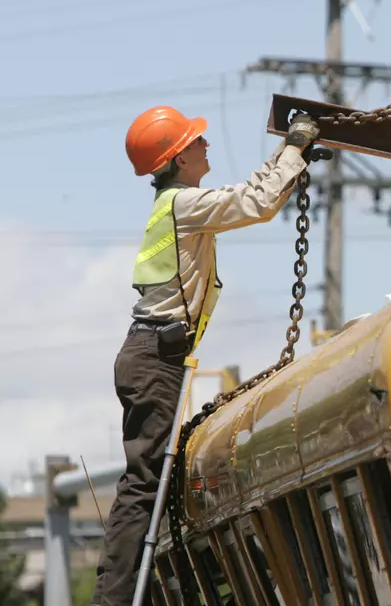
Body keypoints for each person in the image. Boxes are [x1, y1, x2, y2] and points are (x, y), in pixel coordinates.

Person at [90, 105, 321, 606]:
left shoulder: (180, 203)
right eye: (196, 142)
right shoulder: (183, 205)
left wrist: (290, 153)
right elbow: (255, 203)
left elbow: (249, 193)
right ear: (177, 159)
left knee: (153, 481)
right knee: (145, 484)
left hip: (152, 355)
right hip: (154, 358)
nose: (206, 145)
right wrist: (295, 151)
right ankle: (115, 599)